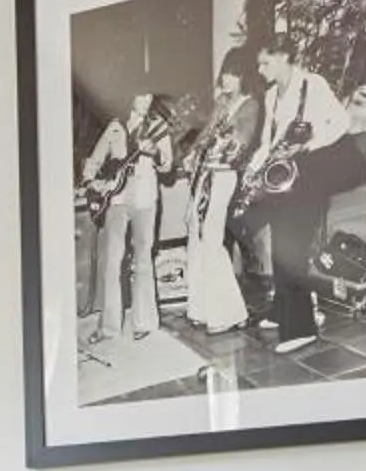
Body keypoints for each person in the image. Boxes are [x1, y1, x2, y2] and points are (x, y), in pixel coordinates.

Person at [243, 37, 365, 347]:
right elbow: (268, 144)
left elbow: (341, 122)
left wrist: (308, 145)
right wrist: (253, 170)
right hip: (284, 178)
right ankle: (281, 311)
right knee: (280, 245)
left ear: (284, 57)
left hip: (310, 174)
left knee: (293, 247)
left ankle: (301, 330)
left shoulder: (313, 84)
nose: (260, 70)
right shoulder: (272, 95)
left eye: (265, 63)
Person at [80, 89, 174, 342]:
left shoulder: (158, 127)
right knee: (112, 262)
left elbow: (168, 165)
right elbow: (96, 159)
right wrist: (90, 181)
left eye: (149, 97)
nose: (147, 102)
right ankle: (109, 327)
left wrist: (154, 152)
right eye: (141, 96)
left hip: (145, 200)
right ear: (130, 97)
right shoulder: (115, 127)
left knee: (143, 260)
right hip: (116, 200)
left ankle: (144, 322)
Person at [183, 50, 260, 333]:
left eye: (233, 73)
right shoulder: (221, 104)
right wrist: (192, 154)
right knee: (197, 236)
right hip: (205, 175)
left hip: (225, 177)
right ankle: (201, 309)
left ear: (243, 76)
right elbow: (203, 136)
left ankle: (229, 313)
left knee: (213, 239)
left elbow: (241, 143)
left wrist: (220, 141)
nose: (226, 79)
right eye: (225, 72)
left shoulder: (250, 106)